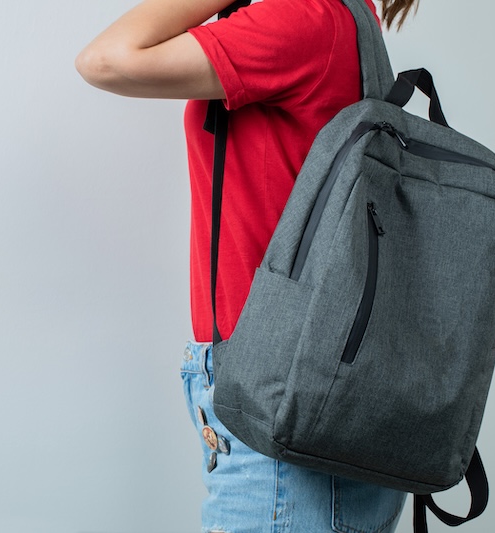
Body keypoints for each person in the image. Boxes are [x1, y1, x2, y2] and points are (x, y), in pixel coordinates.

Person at [76, 1, 418, 531]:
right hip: (305, 402)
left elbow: (106, 59)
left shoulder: (303, 19)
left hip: (273, 411)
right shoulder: (350, 18)